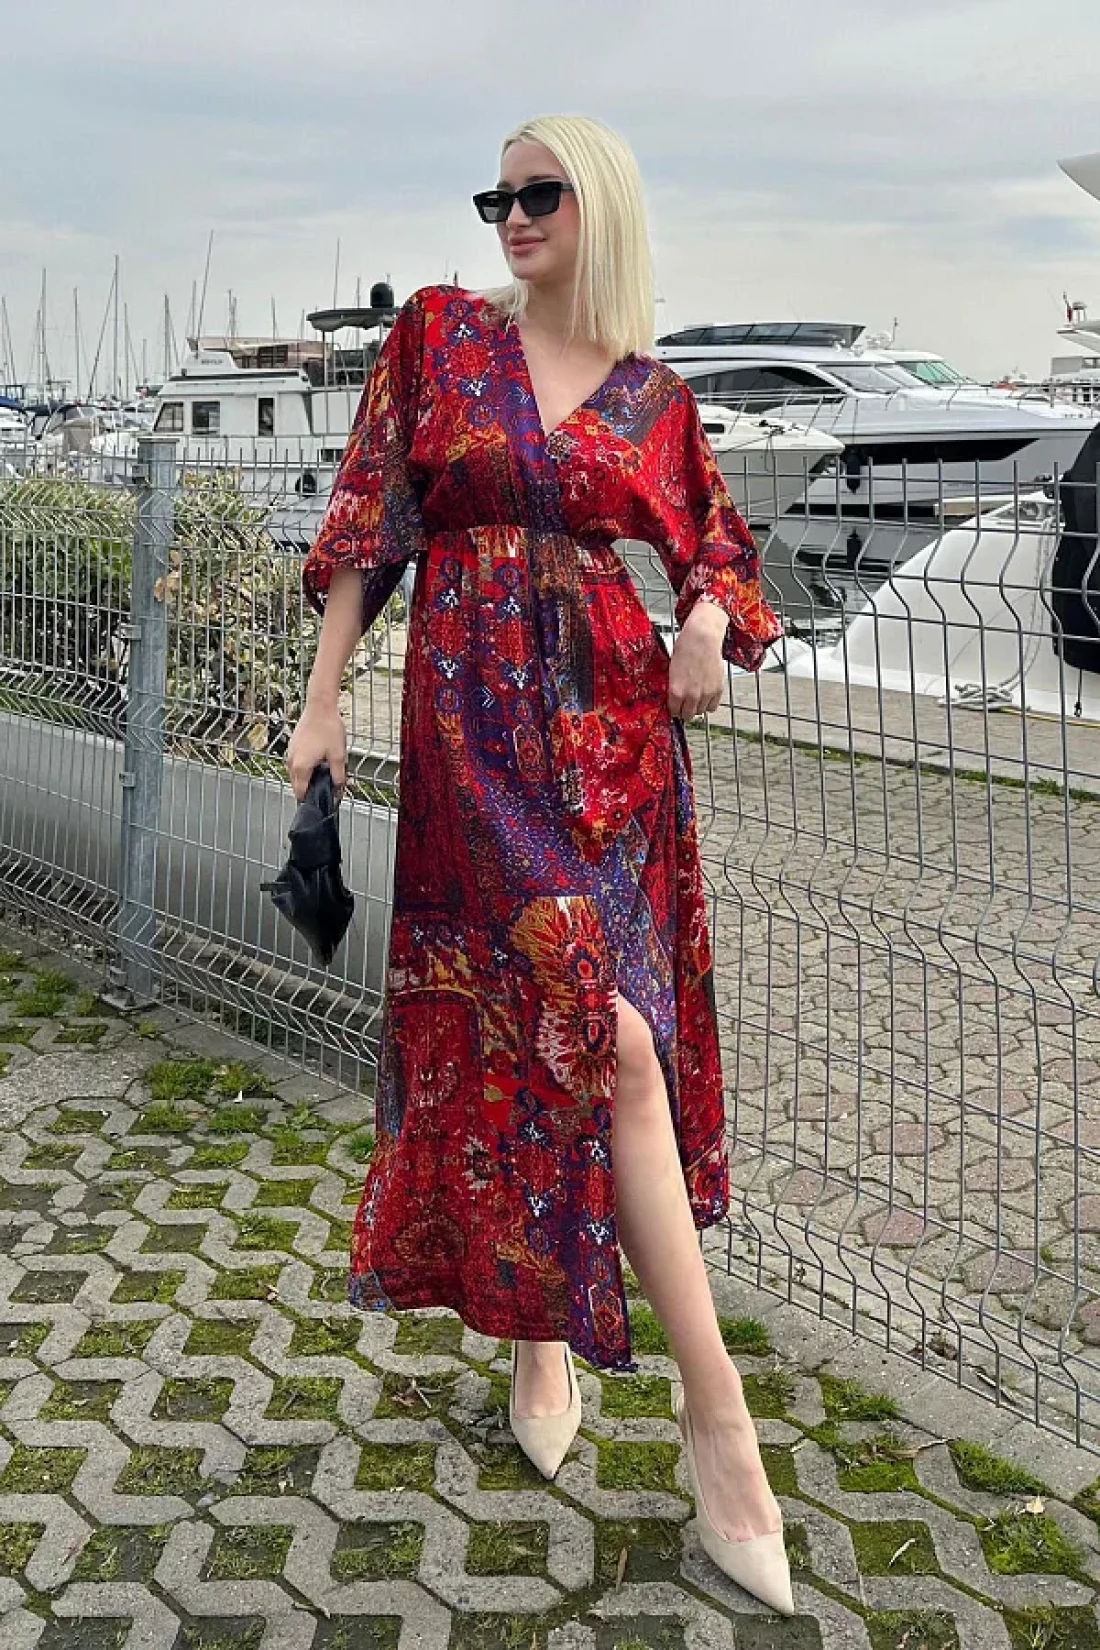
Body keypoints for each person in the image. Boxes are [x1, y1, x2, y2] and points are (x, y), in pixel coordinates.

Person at [287, 113, 792, 1616]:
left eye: (540, 193)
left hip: (617, 758)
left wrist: (705, 619)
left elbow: (722, 550)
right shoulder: (440, 340)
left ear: (601, 205)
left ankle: (542, 1339)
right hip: (473, 743)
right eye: (496, 195)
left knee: (572, 1045)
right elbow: (370, 521)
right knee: (602, 1041)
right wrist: (323, 701)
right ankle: (717, 1418)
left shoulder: (655, 398)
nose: (511, 216)